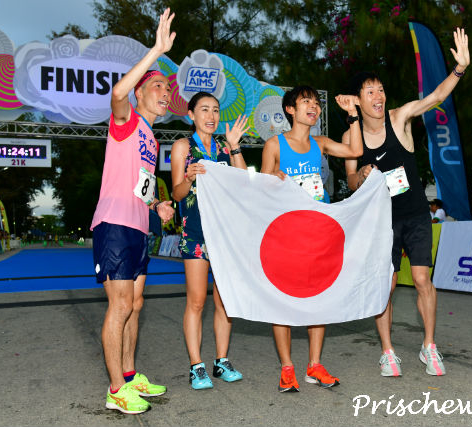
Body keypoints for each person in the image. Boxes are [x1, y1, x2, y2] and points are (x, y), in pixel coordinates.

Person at [344, 28, 469, 377]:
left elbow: (436, 96)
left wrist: (459, 68)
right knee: (384, 286)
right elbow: (350, 181)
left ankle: (429, 346)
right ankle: (387, 352)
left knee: (421, 279)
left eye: (381, 89)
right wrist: (361, 173)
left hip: (414, 214)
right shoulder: (351, 136)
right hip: (381, 222)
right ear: (357, 100)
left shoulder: (399, 117)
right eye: (370, 91)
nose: (379, 96)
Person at [89, 9, 176, 415]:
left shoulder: (151, 140)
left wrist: (157, 203)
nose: (165, 93)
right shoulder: (126, 120)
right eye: (157, 86)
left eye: (167, 89)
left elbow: (141, 184)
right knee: (120, 305)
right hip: (114, 224)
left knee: (136, 305)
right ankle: (115, 390)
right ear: (140, 93)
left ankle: (128, 375)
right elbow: (117, 94)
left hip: (139, 227)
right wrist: (156, 51)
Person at [261, 86, 363, 392]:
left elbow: (355, 151)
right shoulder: (274, 145)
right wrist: (272, 179)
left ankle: (314, 365)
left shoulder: (321, 143)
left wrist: (353, 115)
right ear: (290, 110)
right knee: (282, 301)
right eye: (306, 101)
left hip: (318, 233)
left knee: (319, 299)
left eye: (317, 103)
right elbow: (260, 191)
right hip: (286, 236)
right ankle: (287, 367)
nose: (314, 107)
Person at [170, 92, 250, 390]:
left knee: (224, 300)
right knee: (196, 301)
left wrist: (235, 145)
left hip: (225, 234)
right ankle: (196, 366)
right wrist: (188, 178)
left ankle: (221, 361)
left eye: (215, 110)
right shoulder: (182, 147)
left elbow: (243, 181)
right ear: (191, 114)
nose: (211, 116)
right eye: (204, 110)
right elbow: (177, 194)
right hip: (195, 234)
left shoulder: (223, 147)